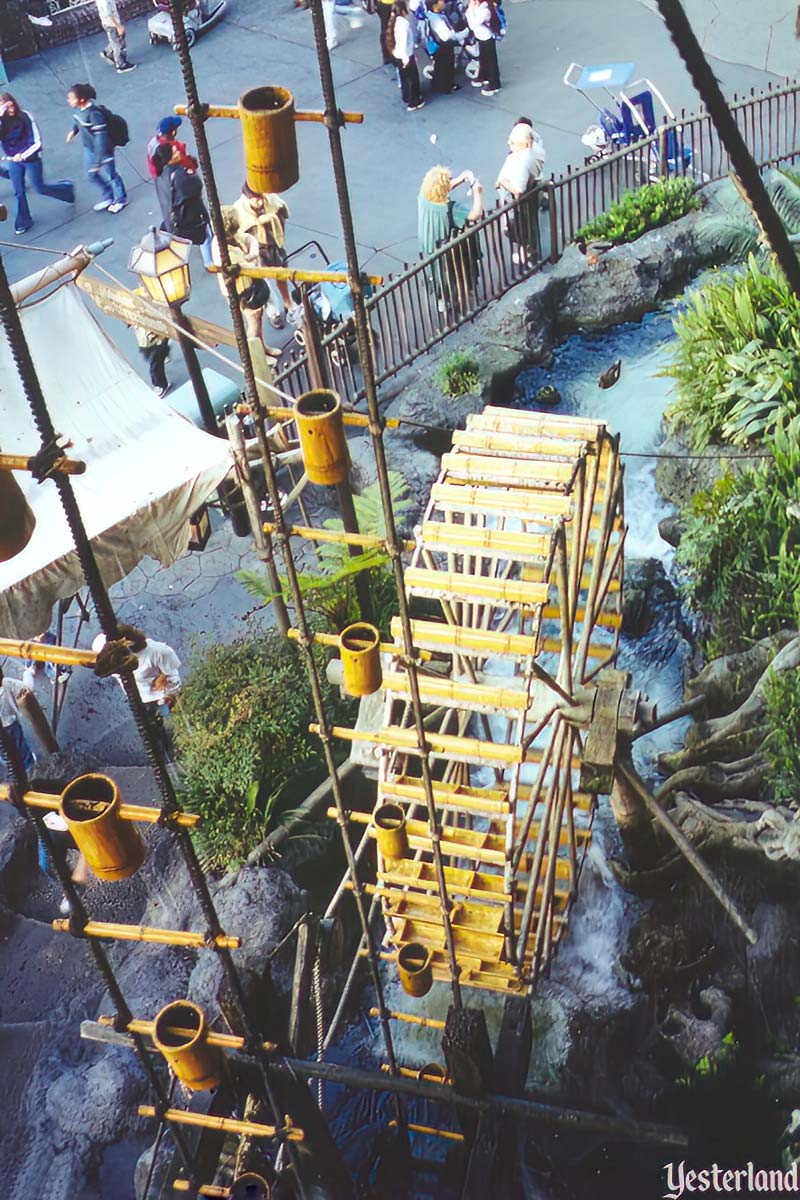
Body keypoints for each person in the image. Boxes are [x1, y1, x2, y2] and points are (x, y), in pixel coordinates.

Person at [0, 93, 74, 235]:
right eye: (4, 107)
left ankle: (66, 189)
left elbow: (37, 141)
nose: (9, 109)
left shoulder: (25, 116)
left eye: (10, 104)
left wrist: (22, 155)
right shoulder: (2, 123)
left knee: (40, 188)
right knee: (19, 192)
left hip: (31, 158)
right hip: (15, 161)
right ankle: (24, 221)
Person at [233, 183, 301, 328]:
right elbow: (238, 233)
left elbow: (283, 209)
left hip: (273, 245)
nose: (259, 201)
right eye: (255, 198)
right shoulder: (239, 210)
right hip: (255, 251)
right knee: (263, 282)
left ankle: (288, 303)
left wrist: (275, 222)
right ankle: (273, 312)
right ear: (247, 197)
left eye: (260, 197)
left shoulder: (271, 200)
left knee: (281, 274)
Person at [417, 164, 483, 311]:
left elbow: (439, 189)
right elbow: (476, 214)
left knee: (439, 274)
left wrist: (460, 179)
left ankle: (442, 300)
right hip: (451, 249)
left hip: (431, 245)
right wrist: (477, 193)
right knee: (457, 275)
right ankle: (463, 299)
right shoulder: (452, 209)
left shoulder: (423, 197)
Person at [212, 206, 273, 351]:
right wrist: (254, 258)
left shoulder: (231, 236)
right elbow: (246, 268)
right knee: (253, 320)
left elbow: (248, 238)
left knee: (257, 317)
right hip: (240, 291)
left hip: (249, 285)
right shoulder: (223, 251)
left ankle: (262, 347)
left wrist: (253, 251)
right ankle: (256, 357)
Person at [65, 83, 127, 214]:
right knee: (91, 175)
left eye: (71, 98)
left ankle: (121, 199)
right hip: (89, 148)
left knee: (111, 175)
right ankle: (108, 195)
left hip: (103, 150)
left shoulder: (94, 115)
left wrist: (99, 161)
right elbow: (78, 121)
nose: (68, 101)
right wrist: (73, 131)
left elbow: (101, 138)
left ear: (81, 99)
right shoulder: (79, 111)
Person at [92, 625, 181, 714]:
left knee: (168, 712)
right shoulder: (104, 650)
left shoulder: (157, 652)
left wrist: (163, 676)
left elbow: (172, 666)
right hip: (140, 696)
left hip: (162, 693)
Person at [152, 142, 213, 267]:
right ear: (168, 160)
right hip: (189, 215)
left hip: (171, 215)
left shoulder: (161, 175)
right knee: (206, 236)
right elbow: (196, 187)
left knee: (172, 236)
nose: (178, 152)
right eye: (174, 152)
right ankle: (209, 263)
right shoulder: (182, 177)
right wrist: (191, 173)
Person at [495, 121, 546, 262]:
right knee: (530, 224)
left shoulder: (522, 164)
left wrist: (502, 181)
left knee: (518, 228)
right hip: (533, 194)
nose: (509, 143)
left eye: (512, 142)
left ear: (523, 144)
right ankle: (529, 251)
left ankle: (529, 254)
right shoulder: (536, 150)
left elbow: (518, 191)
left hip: (518, 203)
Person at [146, 115, 197, 226]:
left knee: (166, 206)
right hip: (179, 191)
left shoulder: (153, 144)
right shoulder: (173, 151)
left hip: (160, 180)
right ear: (173, 132)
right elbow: (189, 166)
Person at [130, 288, 171, 397]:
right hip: (152, 340)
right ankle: (165, 356)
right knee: (156, 360)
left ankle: (161, 385)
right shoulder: (138, 307)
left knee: (154, 367)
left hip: (154, 341)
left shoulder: (150, 309)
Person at [386, 0, 424, 111]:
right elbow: (403, 43)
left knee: (404, 78)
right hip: (405, 56)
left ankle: (406, 96)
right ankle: (414, 101)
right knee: (412, 79)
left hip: (397, 54)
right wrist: (406, 58)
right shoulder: (404, 24)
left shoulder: (394, 21)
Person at [426, 0, 466, 94]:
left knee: (439, 65)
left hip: (435, 44)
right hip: (443, 45)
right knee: (447, 65)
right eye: (442, 1)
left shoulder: (431, 15)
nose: (444, 2)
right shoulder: (437, 19)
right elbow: (447, 36)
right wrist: (463, 34)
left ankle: (437, 83)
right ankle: (447, 86)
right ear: (435, 4)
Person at [0, 675, 34, 778]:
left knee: (7, 753)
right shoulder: (7, 684)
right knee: (19, 747)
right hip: (10, 723)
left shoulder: (6, 685)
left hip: (9, 724)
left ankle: (21, 769)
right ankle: (28, 768)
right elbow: (25, 688)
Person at [466, 0, 500, 96]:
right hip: (481, 36)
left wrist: (470, 9)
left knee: (491, 60)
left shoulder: (485, 10)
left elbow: (472, 25)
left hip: (487, 37)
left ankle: (495, 83)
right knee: (483, 58)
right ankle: (484, 75)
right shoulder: (479, 6)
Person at [95, 0, 137, 73]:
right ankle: (121, 65)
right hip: (112, 25)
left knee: (115, 41)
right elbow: (109, 14)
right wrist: (118, 26)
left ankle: (108, 53)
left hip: (107, 23)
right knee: (118, 44)